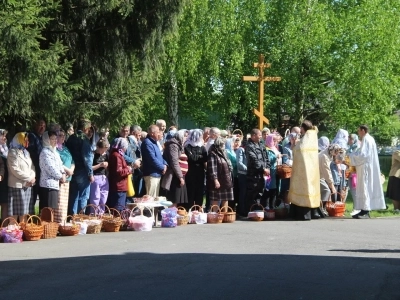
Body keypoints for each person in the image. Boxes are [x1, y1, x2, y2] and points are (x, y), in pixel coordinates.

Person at [349, 125, 386, 219]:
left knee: (365, 187)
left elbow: (363, 155)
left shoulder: (367, 139)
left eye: (358, 130)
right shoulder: (369, 139)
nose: (358, 132)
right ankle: (363, 209)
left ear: (363, 130)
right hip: (366, 166)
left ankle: (365, 210)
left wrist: (351, 156)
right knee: (364, 187)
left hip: (365, 167)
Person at [288, 120, 320, 220]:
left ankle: (302, 213)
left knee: (303, 189)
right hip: (311, 171)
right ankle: (314, 212)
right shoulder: (313, 137)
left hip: (303, 171)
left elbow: (299, 151)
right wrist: (294, 144)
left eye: (301, 128)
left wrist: (294, 144)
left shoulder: (307, 138)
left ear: (303, 128)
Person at [66, 119, 94, 215]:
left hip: (72, 170)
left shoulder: (70, 138)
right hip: (82, 171)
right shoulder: (84, 139)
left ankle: (73, 217)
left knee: (73, 195)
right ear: (85, 128)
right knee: (83, 196)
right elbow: (87, 158)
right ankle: (80, 218)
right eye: (89, 128)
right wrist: (90, 173)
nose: (90, 130)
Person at [7, 132, 36, 220]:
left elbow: (32, 166)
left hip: (28, 186)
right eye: (24, 139)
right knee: (15, 213)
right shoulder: (12, 152)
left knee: (25, 213)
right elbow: (15, 170)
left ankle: (23, 231)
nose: (27, 141)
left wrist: (32, 177)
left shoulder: (26, 152)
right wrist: (28, 178)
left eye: (27, 139)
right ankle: (13, 232)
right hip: (17, 186)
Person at [245, 129, 270, 215]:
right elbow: (253, 159)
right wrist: (263, 169)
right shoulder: (249, 146)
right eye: (259, 135)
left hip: (262, 174)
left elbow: (266, 158)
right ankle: (250, 212)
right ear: (253, 136)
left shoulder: (261, 144)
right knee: (252, 194)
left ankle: (258, 212)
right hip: (253, 175)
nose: (260, 137)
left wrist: (267, 168)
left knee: (260, 192)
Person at [39, 131, 66, 211]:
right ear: (47, 140)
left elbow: (60, 164)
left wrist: (63, 173)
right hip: (47, 186)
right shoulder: (45, 152)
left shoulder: (54, 152)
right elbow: (50, 168)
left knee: (52, 211)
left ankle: (50, 224)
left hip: (54, 185)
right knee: (47, 211)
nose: (55, 141)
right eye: (52, 139)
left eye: (55, 139)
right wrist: (61, 176)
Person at [161, 130, 188, 206]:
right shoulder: (173, 145)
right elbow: (174, 162)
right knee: (173, 198)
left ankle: (173, 214)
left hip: (178, 174)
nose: (186, 138)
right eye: (185, 136)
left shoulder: (179, 145)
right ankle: (170, 215)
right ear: (180, 136)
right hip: (174, 175)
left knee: (177, 200)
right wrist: (180, 177)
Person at [207, 137, 234, 210]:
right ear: (219, 145)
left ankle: (224, 216)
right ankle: (215, 216)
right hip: (218, 180)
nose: (224, 146)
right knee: (215, 198)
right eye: (223, 144)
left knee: (225, 198)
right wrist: (215, 180)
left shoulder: (224, 152)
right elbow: (212, 168)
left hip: (225, 179)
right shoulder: (212, 154)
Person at [141, 125, 168, 197]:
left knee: (155, 199)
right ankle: (148, 209)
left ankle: (153, 209)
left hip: (157, 173)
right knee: (150, 199)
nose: (159, 134)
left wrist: (165, 165)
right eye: (157, 132)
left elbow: (160, 156)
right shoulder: (147, 143)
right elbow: (152, 159)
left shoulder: (155, 143)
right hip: (151, 174)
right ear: (152, 133)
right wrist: (162, 167)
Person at [184, 129, 207, 209]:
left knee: (199, 191)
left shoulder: (202, 148)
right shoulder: (187, 146)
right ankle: (189, 210)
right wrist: (199, 157)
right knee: (190, 191)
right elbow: (191, 158)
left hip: (200, 172)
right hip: (190, 172)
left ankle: (198, 209)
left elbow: (205, 160)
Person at [56, 129, 75, 223]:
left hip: (68, 178)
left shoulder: (65, 148)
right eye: (60, 135)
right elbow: (57, 162)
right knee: (60, 203)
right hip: (61, 178)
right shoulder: (54, 149)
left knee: (64, 203)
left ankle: (63, 222)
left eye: (64, 135)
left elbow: (72, 161)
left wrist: (71, 169)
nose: (63, 137)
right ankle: (59, 223)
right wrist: (67, 170)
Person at [107, 138, 132, 209]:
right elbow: (119, 172)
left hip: (118, 185)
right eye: (125, 147)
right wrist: (128, 169)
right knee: (118, 208)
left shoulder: (118, 154)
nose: (125, 149)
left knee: (118, 207)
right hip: (119, 186)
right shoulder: (117, 155)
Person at [27, 118, 46, 209]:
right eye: (40, 125)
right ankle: (28, 217)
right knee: (33, 195)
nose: (42, 127)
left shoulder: (42, 138)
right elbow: (31, 153)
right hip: (34, 169)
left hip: (41, 171)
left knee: (40, 195)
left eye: (44, 126)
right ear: (35, 126)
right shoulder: (32, 136)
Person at [89, 139, 109, 213]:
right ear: (98, 147)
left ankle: (101, 214)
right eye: (102, 150)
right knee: (95, 198)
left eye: (105, 150)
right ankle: (94, 214)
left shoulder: (106, 154)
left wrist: (107, 165)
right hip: (96, 177)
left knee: (103, 198)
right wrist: (100, 165)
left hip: (104, 177)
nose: (103, 152)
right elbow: (90, 167)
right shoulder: (93, 155)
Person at [263, 134, 281, 209]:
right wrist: (276, 157)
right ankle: (268, 207)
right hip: (269, 173)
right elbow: (268, 160)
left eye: (276, 140)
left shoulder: (274, 148)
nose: (275, 142)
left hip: (275, 171)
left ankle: (272, 207)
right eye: (273, 140)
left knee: (274, 190)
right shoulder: (266, 149)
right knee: (269, 189)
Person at [235, 138, 247, 216]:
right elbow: (239, 163)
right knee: (242, 193)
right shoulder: (241, 150)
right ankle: (241, 210)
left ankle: (245, 209)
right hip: (242, 174)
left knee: (246, 193)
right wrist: (248, 169)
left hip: (248, 174)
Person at [0, 129, 9, 221]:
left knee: (5, 203)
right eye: (2, 135)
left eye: (5, 136)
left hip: (5, 179)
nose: (4, 137)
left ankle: (4, 230)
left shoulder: (6, 148)